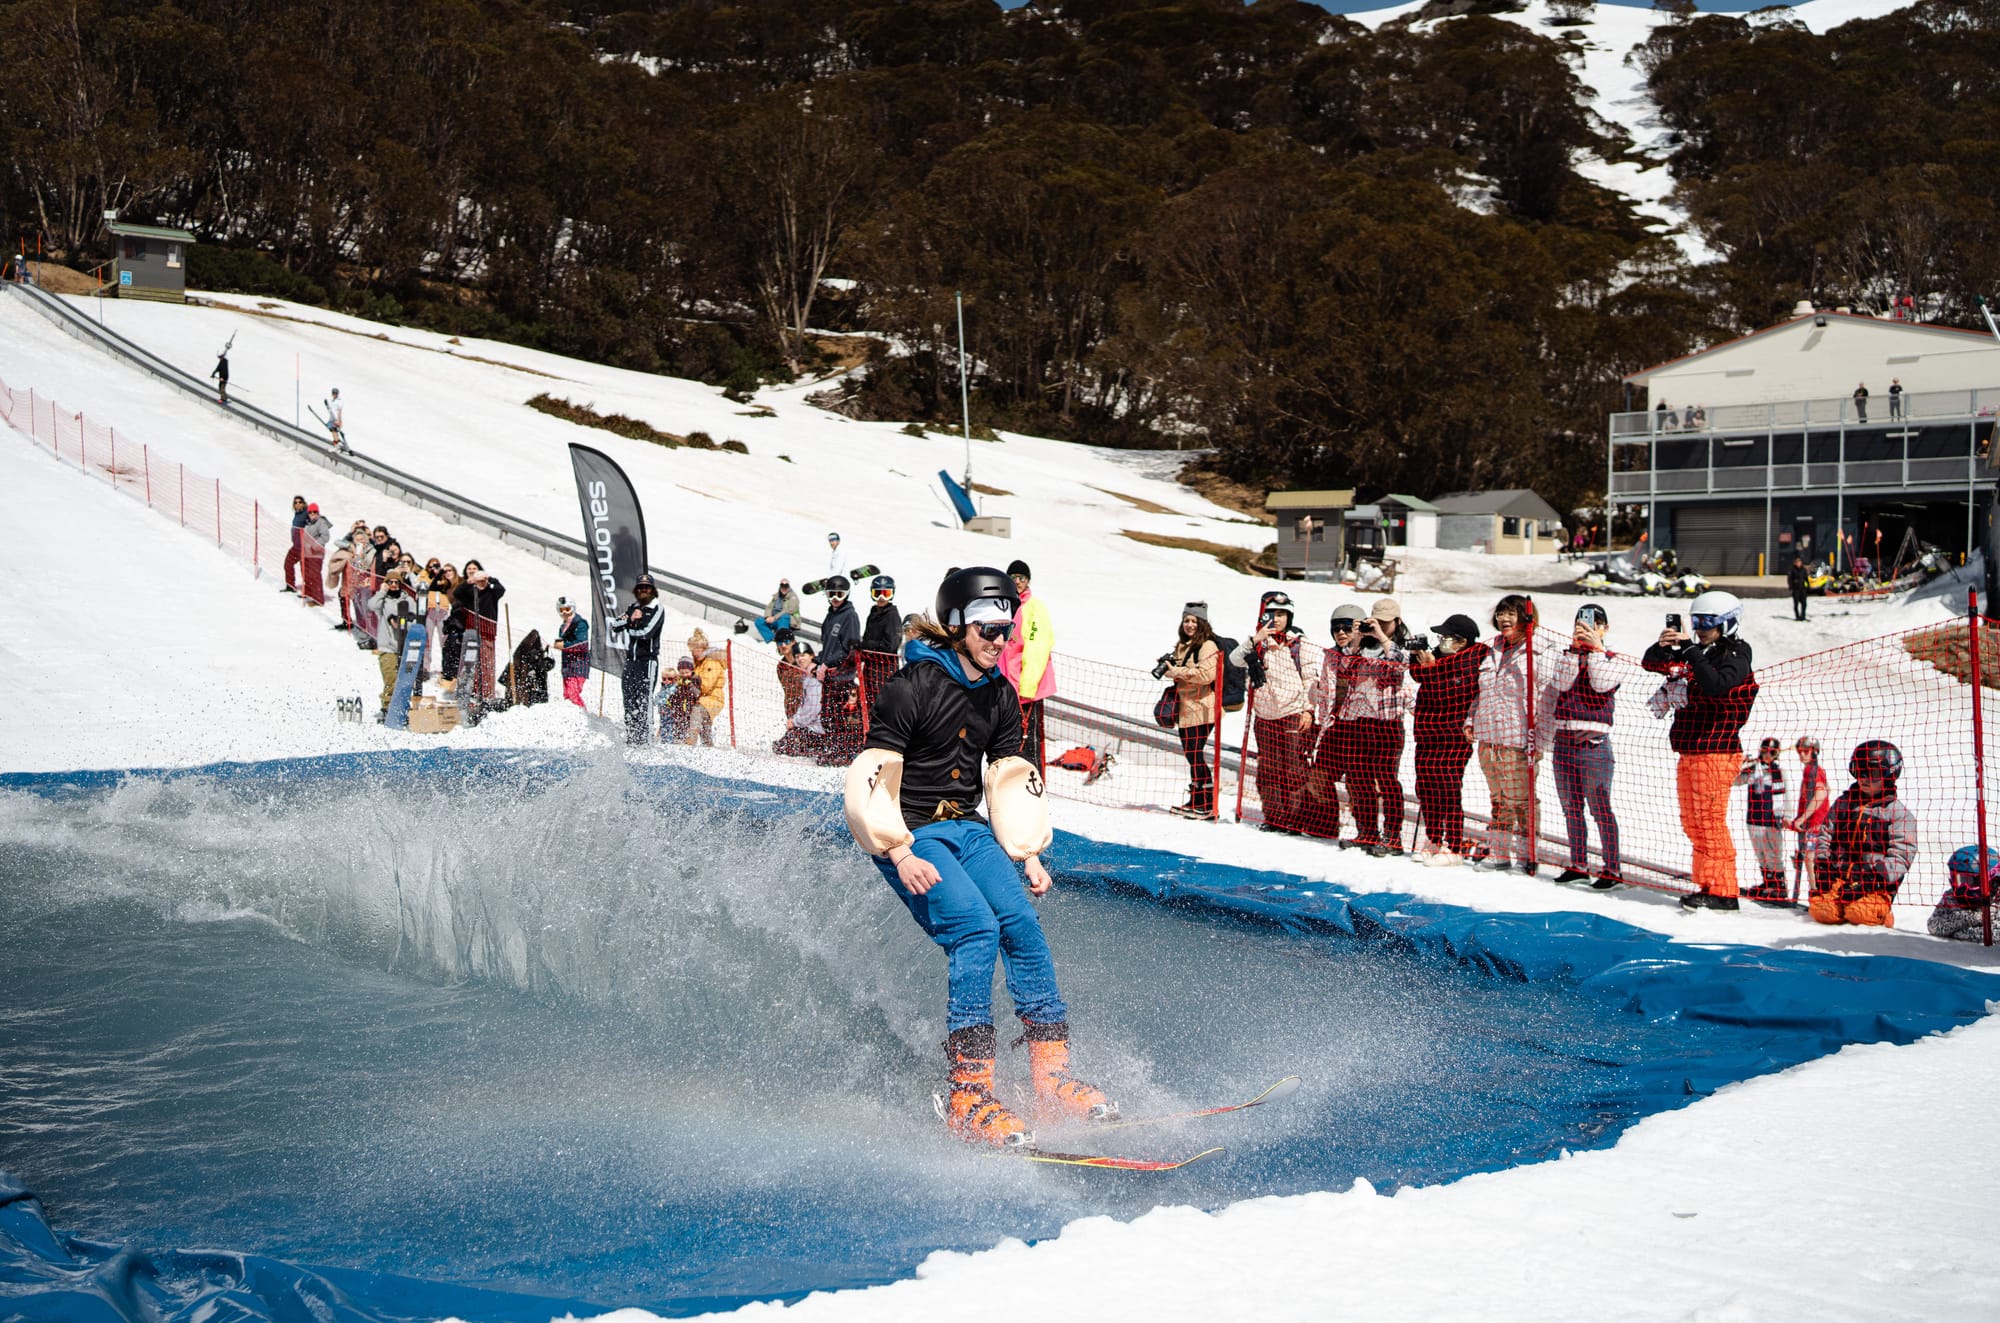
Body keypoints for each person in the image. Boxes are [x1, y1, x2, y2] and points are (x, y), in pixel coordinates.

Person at [844, 567, 1112, 1148]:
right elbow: (870, 776)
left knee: (1022, 926)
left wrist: (1028, 852)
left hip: (967, 828)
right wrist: (897, 851)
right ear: (958, 623)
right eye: (988, 626)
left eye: (1007, 628)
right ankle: (968, 1093)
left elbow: (1009, 776)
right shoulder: (910, 685)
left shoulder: (998, 692)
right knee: (976, 930)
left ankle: (1051, 1079)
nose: (999, 638)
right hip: (912, 833)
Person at [1643, 589, 1759, 912]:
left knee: (1710, 822)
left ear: (1728, 623)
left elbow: (1716, 684)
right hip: (1691, 751)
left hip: (1717, 751)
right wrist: (1665, 644)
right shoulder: (1698, 650)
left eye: (1709, 621)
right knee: (1692, 822)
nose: (1701, 627)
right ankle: (1707, 883)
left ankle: (1723, 890)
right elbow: (1649, 662)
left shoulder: (1736, 655)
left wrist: (1692, 652)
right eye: (1697, 621)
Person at [1318, 599, 1411, 855]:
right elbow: (1343, 667)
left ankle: (1393, 837)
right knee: (1359, 780)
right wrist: (1358, 639)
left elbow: (1402, 663)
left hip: (1386, 723)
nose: (1378, 625)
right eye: (1375, 620)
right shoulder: (1362, 645)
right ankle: (1367, 832)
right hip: (1357, 722)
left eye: (1385, 622)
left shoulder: (1401, 645)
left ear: (1396, 623)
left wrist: (1381, 637)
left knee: (1386, 781)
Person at [1543, 603, 1623, 888]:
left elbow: (1601, 683)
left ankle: (1612, 868)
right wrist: (1575, 651)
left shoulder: (1612, 659)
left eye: (1594, 623)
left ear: (1605, 628)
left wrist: (1596, 649)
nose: (1587, 627)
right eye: (1582, 622)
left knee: (1600, 806)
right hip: (1563, 742)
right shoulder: (1567, 657)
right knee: (1571, 807)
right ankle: (1578, 863)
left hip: (1594, 745)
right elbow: (1562, 685)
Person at [1467, 595, 1545, 874]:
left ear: (1526, 617)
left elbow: (1546, 699)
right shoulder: (1492, 649)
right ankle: (1500, 855)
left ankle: (1527, 857)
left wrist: (1541, 742)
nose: (1504, 618)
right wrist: (1471, 719)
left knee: (1522, 803)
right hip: (1489, 738)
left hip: (1518, 741)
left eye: (1511, 613)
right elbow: (1482, 691)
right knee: (1498, 801)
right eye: (1501, 613)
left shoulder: (1539, 650)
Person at [1232, 591, 1320, 834]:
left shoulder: (1299, 643)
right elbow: (1234, 659)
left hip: (1292, 712)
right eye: (1272, 614)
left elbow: (1310, 680)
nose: (1277, 619)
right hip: (1265, 715)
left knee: (1294, 768)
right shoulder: (1259, 644)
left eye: (1282, 614)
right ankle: (1274, 817)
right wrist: (1255, 638)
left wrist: (1308, 711)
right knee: (1268, 769)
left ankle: (1294, 818)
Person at [1808, 740, 1915, 927]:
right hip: (1841, 882)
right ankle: (1840, 905)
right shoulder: (1844, 803)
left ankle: (1882, 913)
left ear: (1889, 775)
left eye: (1871, 773)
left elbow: (1901, 856)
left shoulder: (1898, 814)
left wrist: (1870, 880)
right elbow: (1825, 834)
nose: (1863, 779)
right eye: (1859, 772)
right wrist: (1823, 866)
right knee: (1822, 912)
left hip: (1875, 888)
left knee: (1859, 914)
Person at [1408, 614, 1486, 865]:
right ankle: (1433, 838)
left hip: (1453, 737)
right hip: (1427, 734)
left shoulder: (1471, 662)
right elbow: (1417, 675)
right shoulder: (1439, 658)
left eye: (1446, 638)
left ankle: (1453, 845)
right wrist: (1419, 657)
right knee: (1426, 788)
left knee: (1448, 790)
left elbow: (1449, 694)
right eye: (1440, 637)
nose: (1441, 642)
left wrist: (1433, 669)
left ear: (1461, 641)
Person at [1159, 602, 1221, 819]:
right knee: (1191, 755)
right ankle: (1196, 798)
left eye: (1194, 621)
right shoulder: (1182, 645)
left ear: (1202, 623)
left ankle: (1207, 802)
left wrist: (1176, 671)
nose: (1190, 625)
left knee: (1195, 754)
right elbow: (1186, 672)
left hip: (1202, 709)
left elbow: (1206, 675)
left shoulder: (1207, 646)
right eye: (1186, 620)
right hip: (1186, 710)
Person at [998, 560, 1056, 771]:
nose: (1017, 582)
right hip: (1006, 685)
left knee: (1027, 741)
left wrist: (1027, 688)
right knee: (1008, 741)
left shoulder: (1033, 608)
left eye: (1021, 578)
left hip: (1024, 689)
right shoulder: (1006, 606)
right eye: (1013, 578)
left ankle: (1032, 782)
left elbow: (1037, 648)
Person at [1735, 737, 1791, 904]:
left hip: (1771, 820)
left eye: (1772, 752)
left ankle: (1778, 886)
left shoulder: (1779, 772)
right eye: (1765, 751)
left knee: (1773, 853)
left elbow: (1787, 796)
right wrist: (1742, 764)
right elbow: (1735, 781)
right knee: (1761, 852)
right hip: (1754, 818)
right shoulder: (1753, 770)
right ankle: (1767, 883)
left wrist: (1787, 816)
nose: (1768, 755)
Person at [368, 568, 421, 720]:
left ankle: (403, 706)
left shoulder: (407, 600)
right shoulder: (383, 601)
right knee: (390, 678)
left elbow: (416, 620)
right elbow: (372, 605)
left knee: (404, 679)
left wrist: (402, 622)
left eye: (396, 582)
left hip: (404, 645)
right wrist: (382, 592)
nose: (393, 585)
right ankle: (387, 707)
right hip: (387, 646)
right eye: (390, 582)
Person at [621, 573, 665, 745]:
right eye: (640, 587)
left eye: (646, 588)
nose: (643, 590)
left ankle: (645, 740)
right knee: (629, 700)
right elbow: (616, 624)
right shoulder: (633, 607)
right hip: (630, 661)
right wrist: (631, 619)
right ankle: (632, 737)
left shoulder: (657, 608)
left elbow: (647, 633)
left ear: (653, 590)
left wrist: (630, 627)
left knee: (644, 701)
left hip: (647, 662)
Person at [1927, 846, 1999, 943]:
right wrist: (1972, 918)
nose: (1964, 885)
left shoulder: (1997, 899)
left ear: (1990, 878)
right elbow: (1933, 926)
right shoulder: (1951, 897)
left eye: (1970, 880)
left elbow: (1995, 935)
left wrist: (1959, 933)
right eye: (1959, 879)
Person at [1789, 735, 1830, 896]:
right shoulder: (1813, 770)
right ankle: (1816, 892)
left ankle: (1816, 893)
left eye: (1806, 751)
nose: (1802, 755)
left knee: (1810, 858)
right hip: (1814, 822)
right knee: (1809, 857)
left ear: (1814, 752)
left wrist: (1803, 818)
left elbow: (1821, 793)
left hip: (1815, 823)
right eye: (1800, 752)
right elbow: (1827, 789)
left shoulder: (1812, 771)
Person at [773, 641, 827, 758]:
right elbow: (803, 705)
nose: (800, 659)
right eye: (797, 656)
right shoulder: (806, 675)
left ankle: (818, 748)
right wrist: (795, 719)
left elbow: (813, 708)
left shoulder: (815, 676)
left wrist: (795, 722)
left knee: (786, 745)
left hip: (819, 729)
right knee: (781, 745)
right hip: (810, 726)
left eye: (803, 655)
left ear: (811, 656)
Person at [687, 628, 726, 746]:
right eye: (693, 650)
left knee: (697, 711)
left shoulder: (711, 663)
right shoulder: (699, 663)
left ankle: (690, 741)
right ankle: (708, 746)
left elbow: (706, 685)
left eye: (698, 649)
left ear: (705, 649)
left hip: (713, 699)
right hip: (704, 698)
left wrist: (693, 681)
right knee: (705, 726)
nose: (695, 652)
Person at [502, 630, 553, 708]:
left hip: (530, 684)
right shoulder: (524, 655)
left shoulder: (521, 653)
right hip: (526, 684)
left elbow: (548, 665)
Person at [655, 656, 701, 743]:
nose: (684, 675)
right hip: (677, 708)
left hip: (689, 708)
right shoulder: (677, 682)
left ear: (691, 671)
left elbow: (697, 693)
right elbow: (672, 694)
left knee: (687, 724)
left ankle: (686, 740)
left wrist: (690, 686)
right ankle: (671, 738)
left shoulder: (694, 680)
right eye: (682, 673)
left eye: (686, 672)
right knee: (674, 723)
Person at [555, 597, 589, 708]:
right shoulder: (563, 626)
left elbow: (582, 643)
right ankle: (573, 715)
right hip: (567, 666)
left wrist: (564, 646)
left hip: (578, 666)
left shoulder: (580, 623)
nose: (565, 612)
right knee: (567, 695)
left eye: (567, 609)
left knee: (573, 694)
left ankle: (583, 714)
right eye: (561, 610)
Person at [300, 503, 332, 606]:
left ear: (318, 512)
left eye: (315, 512)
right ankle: (309, 593)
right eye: (310, 512)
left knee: (315, 575)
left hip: (316, 553)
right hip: (307, 553)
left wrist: (313, 545)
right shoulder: (308, 523)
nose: (312, 514)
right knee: (306, 573)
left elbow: (325, 537)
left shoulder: (321, 522)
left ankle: (318, 599)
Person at [755, 577, 801, 643]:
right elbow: (769, 607)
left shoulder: (793, 597)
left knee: (784, 617)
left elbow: (790, 610)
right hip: (775, 619)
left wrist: (774, 617)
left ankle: (782, 641)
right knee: (759, 621)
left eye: (786, 586)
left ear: (789, 586)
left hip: (788, 621)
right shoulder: (776, 596)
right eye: (782, 585)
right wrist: (768, 617)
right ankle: (771, 639)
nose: (784, 588)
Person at [281, 496, 309, 594]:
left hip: (304, 547)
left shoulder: (307, 513)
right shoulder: (298, 513)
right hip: (296, 546)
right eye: (295, 502)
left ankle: (310, 591)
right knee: (288, 563)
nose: (297, 504)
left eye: (299, 502)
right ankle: (290, 586)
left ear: (304, 503)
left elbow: (314, 525)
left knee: (305, 569)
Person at [1786, 554, 1809, 622]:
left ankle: (1803, 616)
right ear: (1795, 563)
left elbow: (1806, 578)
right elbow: (1789, 579)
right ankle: (1797, 616)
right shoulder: (1792, 570)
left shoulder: (1803, 569)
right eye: (1797, 562)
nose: (1798, 563)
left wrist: (1808, 586)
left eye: (1799, 562)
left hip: (1802, 588)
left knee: (1804, 603)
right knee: (1796, 603)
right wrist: (1791, 586)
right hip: (1796, 588)